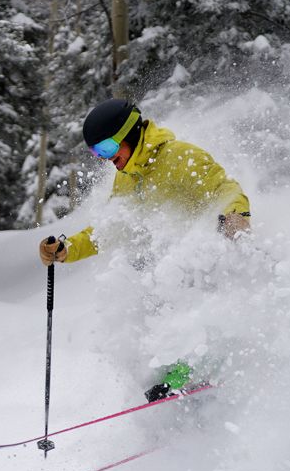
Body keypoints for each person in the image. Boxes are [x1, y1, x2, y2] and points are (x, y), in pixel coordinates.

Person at [38, 98, 252, 402]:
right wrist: (67, 248)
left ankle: (204, 361)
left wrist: (236, 215)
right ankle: (179, 364)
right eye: (97, 153)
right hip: (172, 269)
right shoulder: (126, 179)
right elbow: (112, 228)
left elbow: (226, 189)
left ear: (130, 134)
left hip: (211, 256)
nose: (105, 159)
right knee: (152, 282)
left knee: (185, 276)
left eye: (108, 149)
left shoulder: (179, 156)